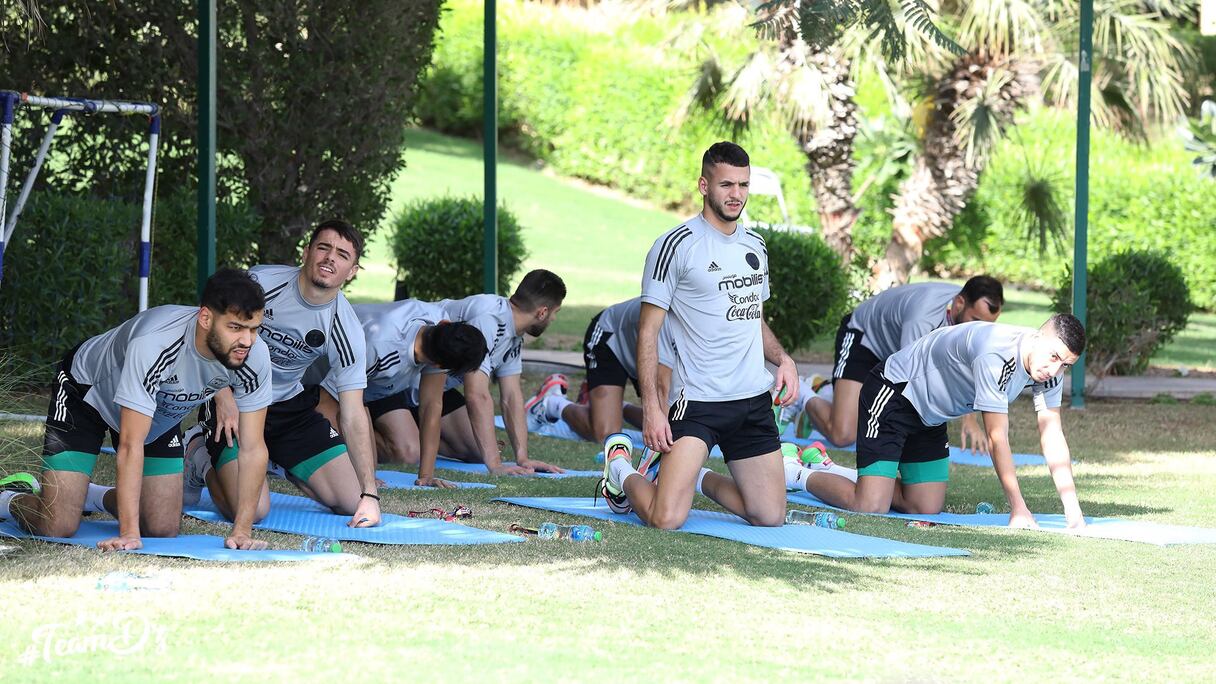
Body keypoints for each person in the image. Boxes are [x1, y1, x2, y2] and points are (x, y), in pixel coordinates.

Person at [599, 141, 798, 529]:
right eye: (726, 184)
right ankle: (620, 469)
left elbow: (752, 317)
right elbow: (648, 332)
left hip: (751, 400)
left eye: (743, 184)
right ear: (704, 186)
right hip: (699, 402)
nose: (736, 194)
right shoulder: (675, 245)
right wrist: (653, 409)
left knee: (769, 515)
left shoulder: (755, 244)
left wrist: (782, 358)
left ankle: (694, 477)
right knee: (666, 518)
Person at [0, 268, 273, 550]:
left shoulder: (254, 355)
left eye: (254, 328)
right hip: (86, 393)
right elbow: (130, 445)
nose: (247, 341)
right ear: (205, 318)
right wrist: (129, 533)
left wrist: (242, 531)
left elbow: (253, 448)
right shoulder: (155, 343)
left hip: (156, 410)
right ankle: (8, 498)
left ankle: (91, 496)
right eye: (235, 328)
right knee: (57, 524)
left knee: (161, 528)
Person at [791, 314, 1088, 529]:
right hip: (895, 393)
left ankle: (841, 471)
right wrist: (1018, 508)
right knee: (870, 506)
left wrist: (1072, 509)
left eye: (1065, 365)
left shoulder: (1049, 372)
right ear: (1037, 337)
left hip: (930, 417)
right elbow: (997, 438)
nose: (1055, 370)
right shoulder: (997, 355)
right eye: (1053, 357)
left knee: (924, 506)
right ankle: (795, 472)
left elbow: (1052, 435)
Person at [186, 219, 381, 529]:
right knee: (253, 511)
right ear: (306, 252)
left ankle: (278, 459)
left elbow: (353, 411)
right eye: (324, 248)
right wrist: (221, 395)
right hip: (237, 397)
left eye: (342, 255)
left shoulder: (347, 327)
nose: (330, 258)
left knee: (350, 500)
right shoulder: (262, 283)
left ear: (352, 271)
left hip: (288, 407)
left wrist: (370, 493)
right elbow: (207, 330)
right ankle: (198, 454)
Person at [781, 277, 1004, 453]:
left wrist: (971, 418)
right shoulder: (923, 316)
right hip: (865, 337)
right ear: (959, 303)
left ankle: (827, 392)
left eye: (987, 326)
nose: (980, 332)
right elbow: (911, 377)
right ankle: (803, 391)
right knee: (843, 434)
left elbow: (967, 369)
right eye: (976, 321)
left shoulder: (968, 319)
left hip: (896, 347)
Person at [310, 299, 488, 488]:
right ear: (439, 365)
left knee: (375, 458)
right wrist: (365, 475)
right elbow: (327, 400)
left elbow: (431, 405)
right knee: (364, 463)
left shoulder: (440, 329)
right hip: (315, 376)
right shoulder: (379, 349)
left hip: (368, 383)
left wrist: (426, 475)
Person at [430, 270, 568, 475]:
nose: (554, 318)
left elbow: (511, 396)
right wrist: (495, 465)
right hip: (404, 385)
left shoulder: (514, 331)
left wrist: (523, 458)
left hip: (436, 390)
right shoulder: (489, 319)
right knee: (408, 450)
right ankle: (403, 433)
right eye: (555, 312)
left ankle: (412, 431)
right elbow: (477, 394)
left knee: (479, 450)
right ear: (542, 312)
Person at [525, 296, 675, 444]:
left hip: (641, 344)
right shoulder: (669, 317)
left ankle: (615, 406)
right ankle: (551, 404)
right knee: (606, 434)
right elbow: (662, 387)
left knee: (677, 421)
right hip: (611, 335)